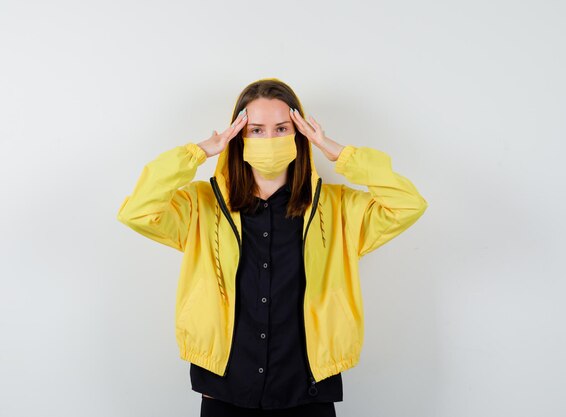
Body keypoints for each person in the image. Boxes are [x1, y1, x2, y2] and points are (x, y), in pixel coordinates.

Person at [116, 78, 428, 416]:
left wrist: (340, 153)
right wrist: (198, 152)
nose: (270, 139)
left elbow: (408, 204)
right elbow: (138, 211)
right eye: (257, 130)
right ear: (239, 136)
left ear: (300, 133)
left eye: (281, 128)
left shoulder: (337, 209)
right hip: (225, 388)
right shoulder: (201, 206)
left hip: (307, 390)